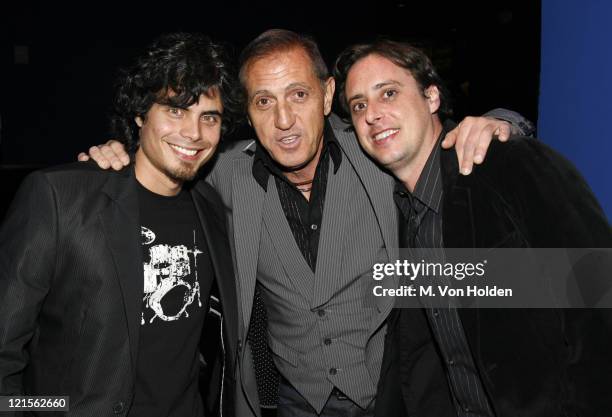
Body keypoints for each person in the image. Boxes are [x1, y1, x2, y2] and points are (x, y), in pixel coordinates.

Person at [81, 29, 530, 417]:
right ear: (249, 112)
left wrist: (502, 123)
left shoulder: (377, 148)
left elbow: (441, 138)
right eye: (264, 101)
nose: (283, 120)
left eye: (298, 95)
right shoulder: (224, 174)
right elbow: (167, 161)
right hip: (295, 401)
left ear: (328, 94)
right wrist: (114, 156)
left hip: (393, 394)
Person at [334, 39, 612, 417]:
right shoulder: (400, 213)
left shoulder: (507, 165)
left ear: (431, 97)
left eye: (389, 93)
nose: (373, 114)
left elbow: (598, 299)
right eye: (360, 105)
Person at [0, 33, 239, 417]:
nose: (194, 133)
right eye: (175, 110)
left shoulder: (213, 210)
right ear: (141, 114)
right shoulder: (61, 197)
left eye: (208, 117)